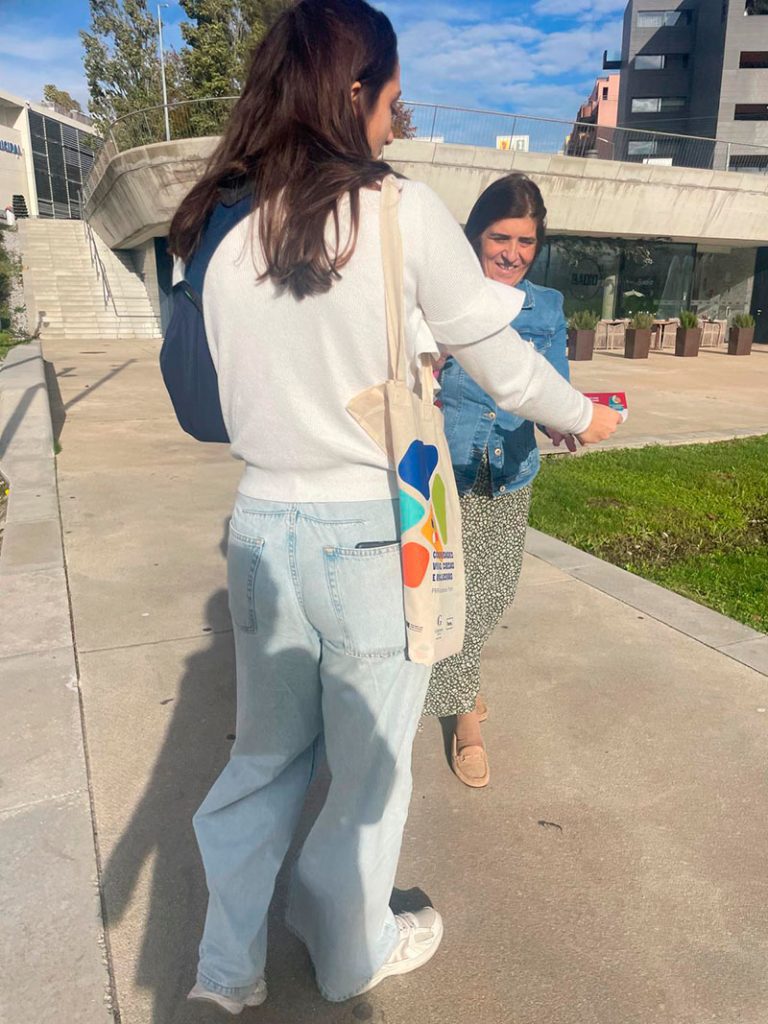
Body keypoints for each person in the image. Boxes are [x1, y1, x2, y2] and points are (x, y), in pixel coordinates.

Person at [167, 0, 620, 1012]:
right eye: (390, 96)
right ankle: (349, 952)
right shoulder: (399, 210)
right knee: (368, 775)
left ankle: (224, 970)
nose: (394, 116)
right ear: (353, 91)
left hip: (260, 523)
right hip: (373, 528)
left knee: (263, 759)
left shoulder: (228, 227)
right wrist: (585, 415)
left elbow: (213, 398)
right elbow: (501, 361)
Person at [424, 174, 578, 788]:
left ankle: (456, 678)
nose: (513, 253)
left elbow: (554, 387)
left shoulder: (547, 307)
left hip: (510, 472)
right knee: (448, 597)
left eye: (526, 241)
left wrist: (566, 420)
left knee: (492, 595)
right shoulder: (446, 301)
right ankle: (465, 720)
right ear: (475, 237)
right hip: (445, 473)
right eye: (499, 237)